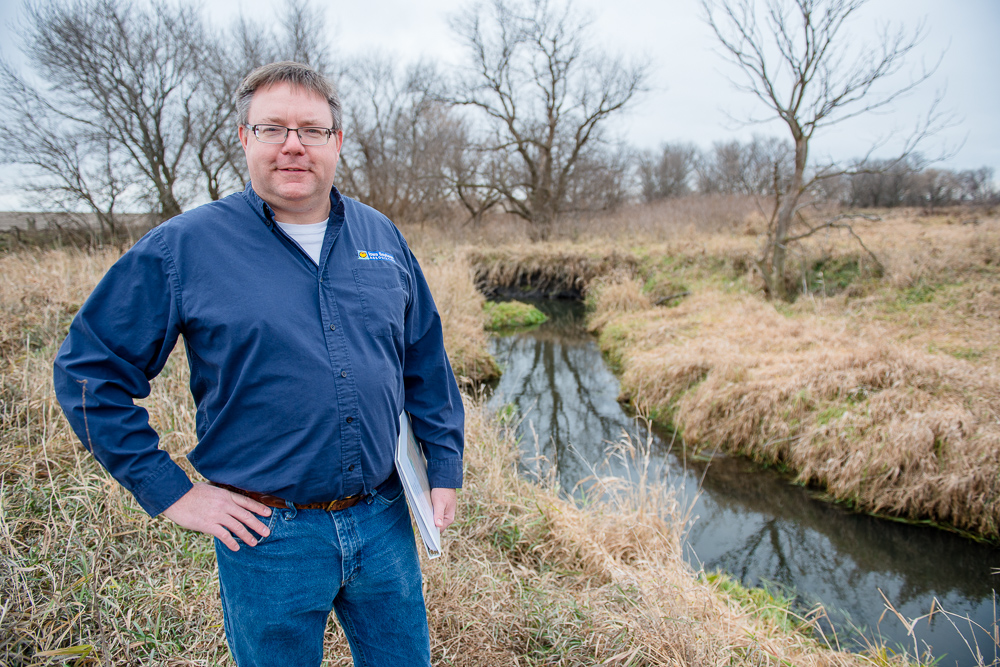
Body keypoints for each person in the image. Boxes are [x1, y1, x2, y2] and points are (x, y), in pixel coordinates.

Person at [53, 61, 464, 667]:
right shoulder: (185, 247)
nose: (293, 145)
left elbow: (425, 358)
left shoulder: (382, 235)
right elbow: (89, 372)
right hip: (269, 535)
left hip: (385, 520)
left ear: (337, 143)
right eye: (273, 128)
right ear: (245, 139)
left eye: (312, 130)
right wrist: (172, 494)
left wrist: (445, 464)